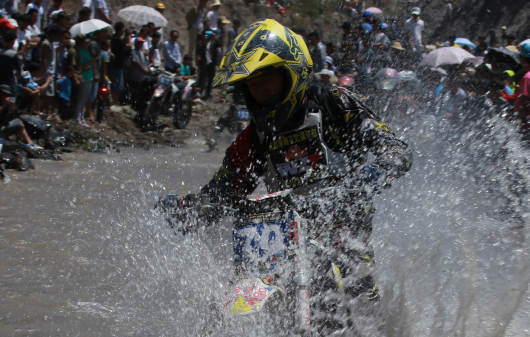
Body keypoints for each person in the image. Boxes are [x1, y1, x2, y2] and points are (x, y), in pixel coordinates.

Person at [175, 19, 410, 309]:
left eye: (267, 80)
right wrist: (191, 209)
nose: (261, 91)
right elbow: (228, 185)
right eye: (253, 84)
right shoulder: (254, 137)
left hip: (343, 225)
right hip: (279, 234)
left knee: (360, 289)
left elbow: (395, 147)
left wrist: (378, 168)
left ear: (293, 72)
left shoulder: (334, 101)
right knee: (246, 288)